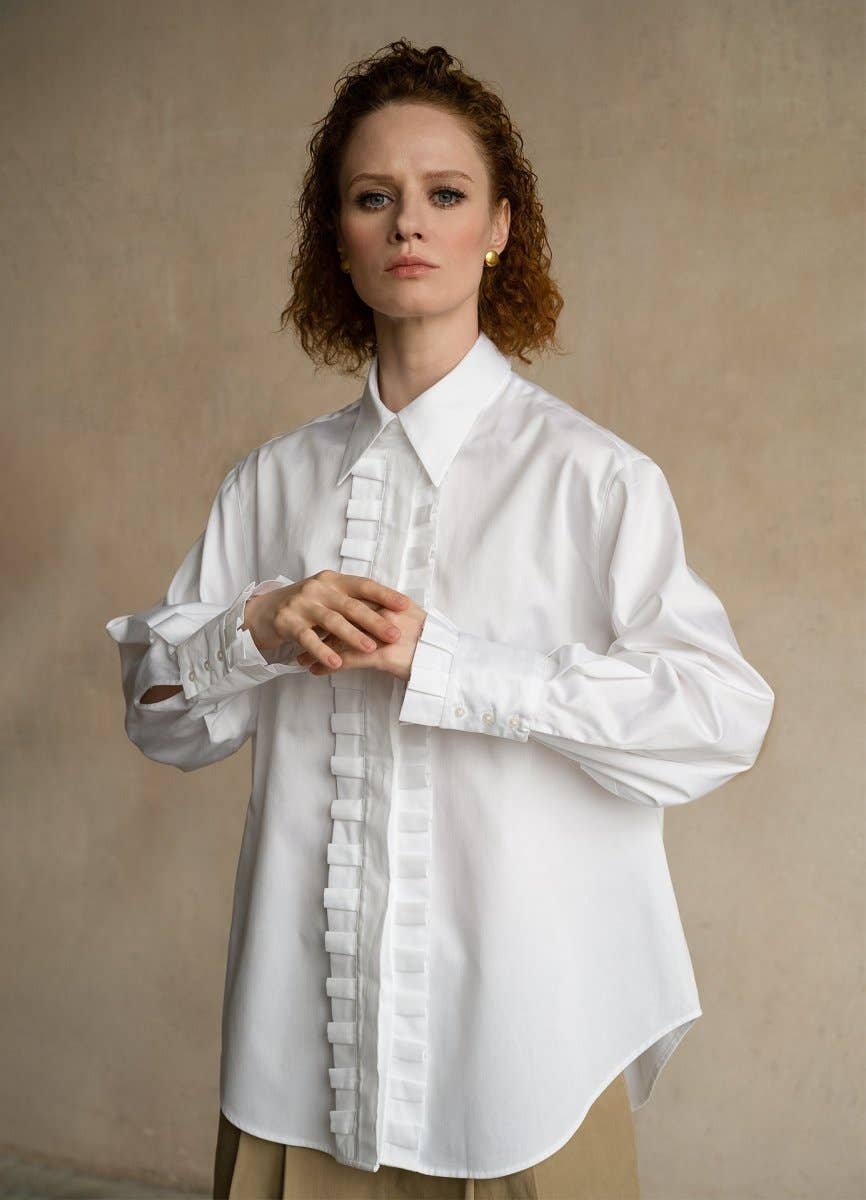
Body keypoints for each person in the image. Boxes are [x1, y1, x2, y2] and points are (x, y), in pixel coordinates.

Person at [105, 38, 775, 1200]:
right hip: (296, 1074)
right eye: (373, 198)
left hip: (522, 1073)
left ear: (498, 226)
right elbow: (163, 722)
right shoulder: (268, 485)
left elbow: (716, 720)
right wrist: (257, 627)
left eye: (444, 194)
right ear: (339, 238)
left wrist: (457, 665)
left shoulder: (595, 481)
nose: (408, 223)